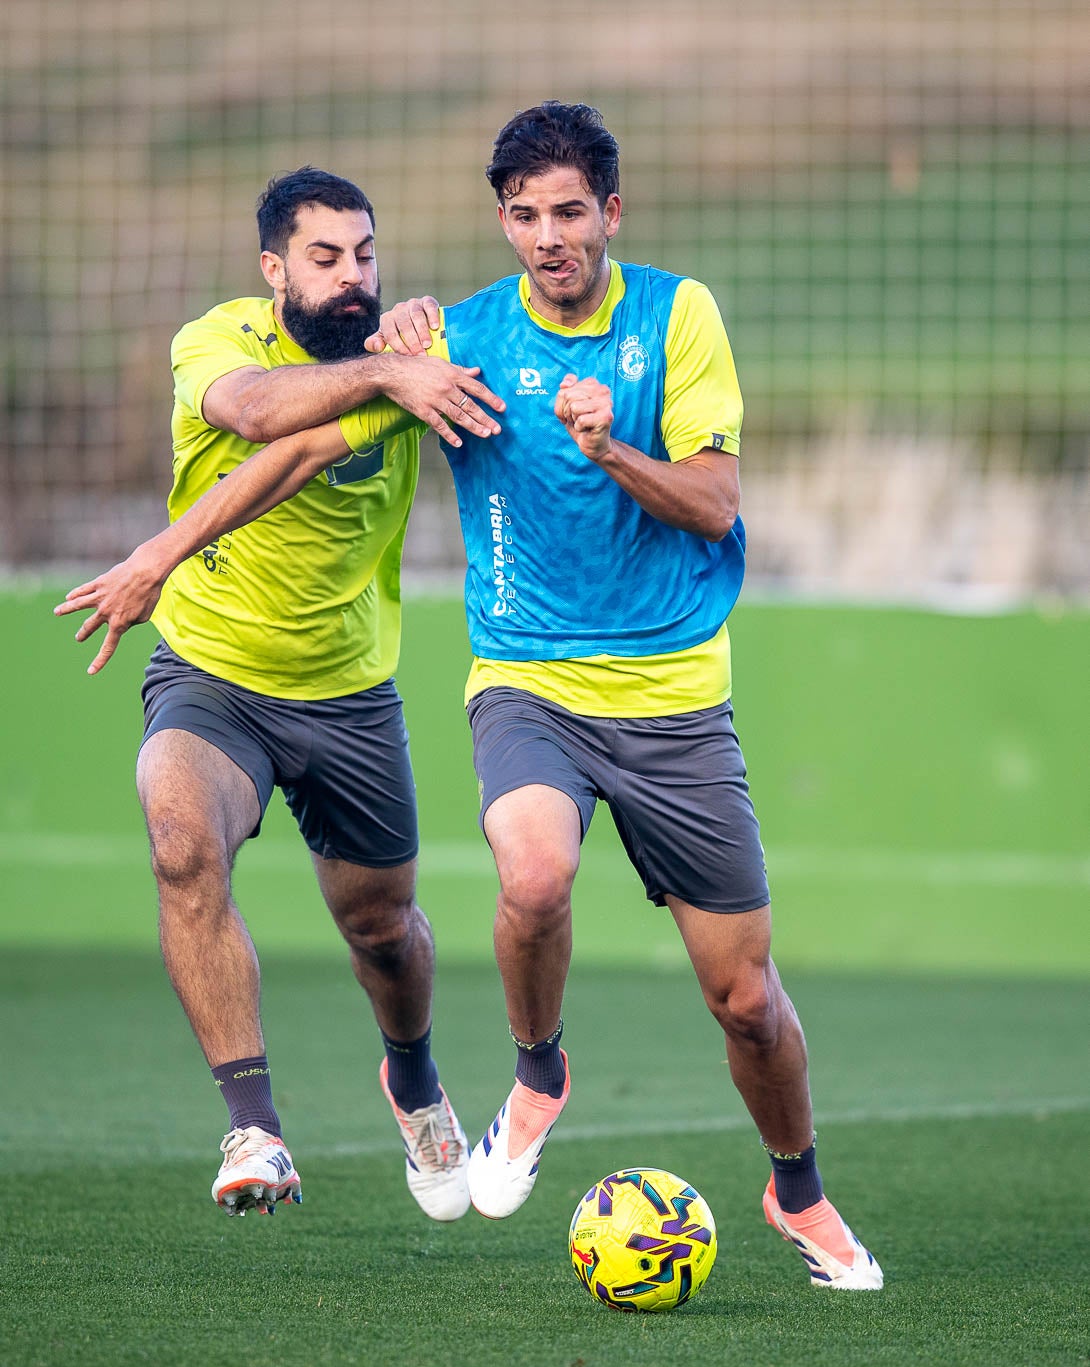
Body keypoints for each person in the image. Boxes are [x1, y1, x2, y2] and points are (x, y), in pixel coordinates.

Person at [59, 111, 883, 1289]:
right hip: (511, 678)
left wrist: (607, 451)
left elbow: (713, 505)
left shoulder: (673, 314)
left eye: (569, 212)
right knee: (519, 872)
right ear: (503, 221)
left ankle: (795, 1190)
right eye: (525, 215)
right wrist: (158, 556)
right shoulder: (450, 345)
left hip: (660, 692)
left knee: (742, 998)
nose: (549, 237)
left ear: (612, 210)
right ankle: (513, 1078)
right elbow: (273, 442)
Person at [56, 165, 507, 1223]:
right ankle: (253, 1124)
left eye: (365, 253)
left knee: (382, 929)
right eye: (323, 257)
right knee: (178, 837)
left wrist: (406, 368)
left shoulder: (408, 364)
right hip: (211, 672)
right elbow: (259, 420)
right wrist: (389, 376)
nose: (351, 276)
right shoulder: (216, 342)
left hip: (349, 694)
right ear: (274, 270)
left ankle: (411, 1073)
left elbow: (311, 453)